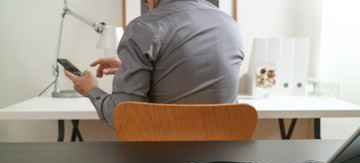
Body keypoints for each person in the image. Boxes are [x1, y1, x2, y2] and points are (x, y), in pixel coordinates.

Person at [64, 0, 244, 128]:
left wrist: (90, 89)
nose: (148, 5)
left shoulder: (145, 26)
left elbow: (125, 116)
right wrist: (135, 67)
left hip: (160, 162)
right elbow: (192, 76)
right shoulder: (230, 24)